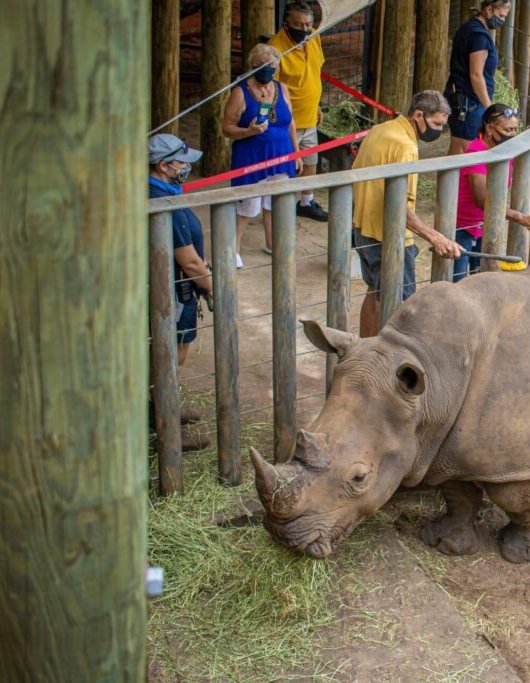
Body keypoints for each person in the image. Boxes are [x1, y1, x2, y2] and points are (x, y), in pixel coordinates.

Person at [352, 90, 463, 337]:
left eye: (442, 126)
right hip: (388, 236)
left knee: (374, 293)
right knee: (395, 307)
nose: (438, 130)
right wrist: (435, 237)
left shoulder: (381, 129)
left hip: (362, 228)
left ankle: (362, 350)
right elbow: (399, 205)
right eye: (435, 124)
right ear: (418, 115)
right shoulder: (405, 147)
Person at [147, 133, 214, 451]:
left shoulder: (160, 190)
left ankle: (162, 411)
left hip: (176, 289)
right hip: (175, 292)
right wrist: (216, 287)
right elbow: (187, 260)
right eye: (181, 162)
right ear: (163, 166)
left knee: (170, 357)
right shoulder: (163, 202)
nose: (186, 167)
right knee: (168, 359)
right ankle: (166, 429)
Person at [222, 43, 303, 268]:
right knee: (249, 204)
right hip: (252, 155)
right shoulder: (240, 92)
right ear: (252, 66)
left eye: (272, 66)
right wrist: (248, 131)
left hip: (282, 153)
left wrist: (297, 153)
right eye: (262, 66)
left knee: (275, 202)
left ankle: (271, 242)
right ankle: (233, 249)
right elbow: (227, 127)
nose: (268, 71)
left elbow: (291, 123)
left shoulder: (281, 88)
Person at [453, 104, 530, 282]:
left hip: (487, 225)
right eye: (508, 129)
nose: (513, 134)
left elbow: (529, 163)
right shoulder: (476, 151)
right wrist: (519, 217)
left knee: (482, 279)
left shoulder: (505, 148)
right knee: (457, 281)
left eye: (515, 129)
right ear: (489, 128)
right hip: (462, 228)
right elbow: (482, 199)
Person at [268, 0, 329, 222]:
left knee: (311, 160)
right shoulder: (275, 48)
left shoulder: (314, 37)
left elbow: (315, 71)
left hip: (310, 115)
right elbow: (270, 88)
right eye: (298, 24)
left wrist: (317, 104)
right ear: (286, 24)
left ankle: (306, 201)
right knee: (284, 165)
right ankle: (278, 207)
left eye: (307, 24)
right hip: (287, 120)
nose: (304, 29)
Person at [444, 0, 514, 155]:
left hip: (461, 99)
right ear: (489, 10)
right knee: (473, 157)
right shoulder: (479, 37)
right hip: (470, 103)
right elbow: (476, 75)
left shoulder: (468, 28)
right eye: (501, 15)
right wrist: (490, 110)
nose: (502, 20)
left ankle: (451, 180)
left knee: (456, 152)